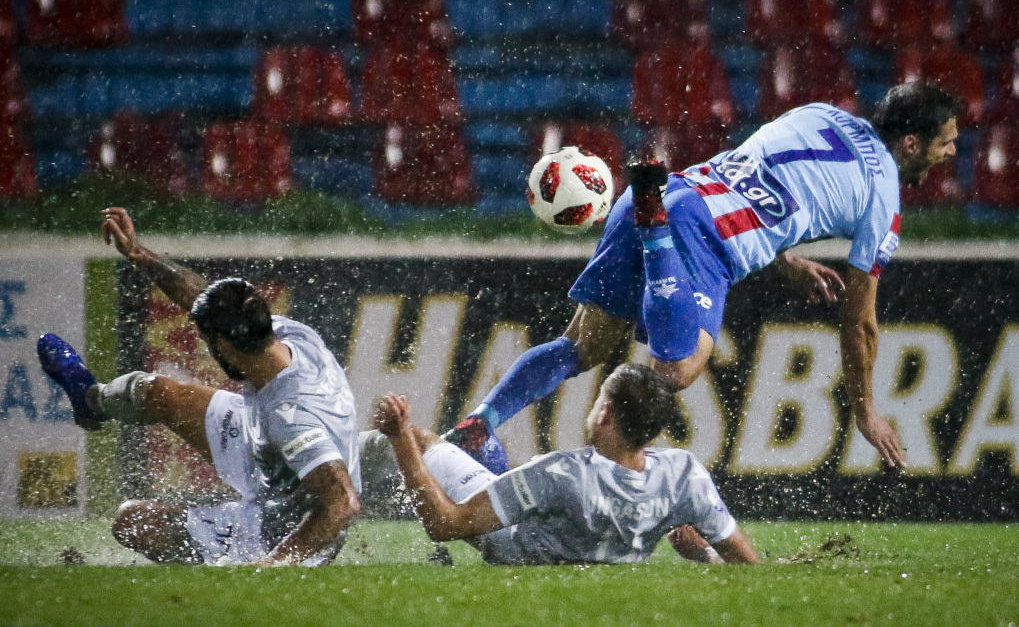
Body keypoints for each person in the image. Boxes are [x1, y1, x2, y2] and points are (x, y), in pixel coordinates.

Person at [447, 83, 960, 474]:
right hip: (700, 234)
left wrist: (784, 259)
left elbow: (755, 178)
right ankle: (605, 478)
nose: (952, 154)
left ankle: (480, 424)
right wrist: (866, 409)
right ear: (911, 143)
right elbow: (861, 322)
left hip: (669, 189)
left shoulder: (821, 115)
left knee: (580, 346)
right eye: (946, 143)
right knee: (678, 365)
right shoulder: (883, 197)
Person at [37, 207, 361, 566]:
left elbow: (341, 504)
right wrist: (139, 254)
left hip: (285, 524)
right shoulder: (285, 334)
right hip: (268, 450)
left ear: (222, 346)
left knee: (133, 522)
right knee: (152, 390)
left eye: (206, 341)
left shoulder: (292, 416)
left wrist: (274, 565)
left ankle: (222, 562)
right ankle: (90, 400)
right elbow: (203, 298)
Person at [368, 363, 759, 565]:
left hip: (512, 546)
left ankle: (321, 481)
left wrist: (401, 440)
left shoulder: (561, 473)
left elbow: (444, 525)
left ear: (604, 413)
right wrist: (704, 555)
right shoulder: (684, 475)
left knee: (419, 439)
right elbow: (748, 564)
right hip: (588, 550)